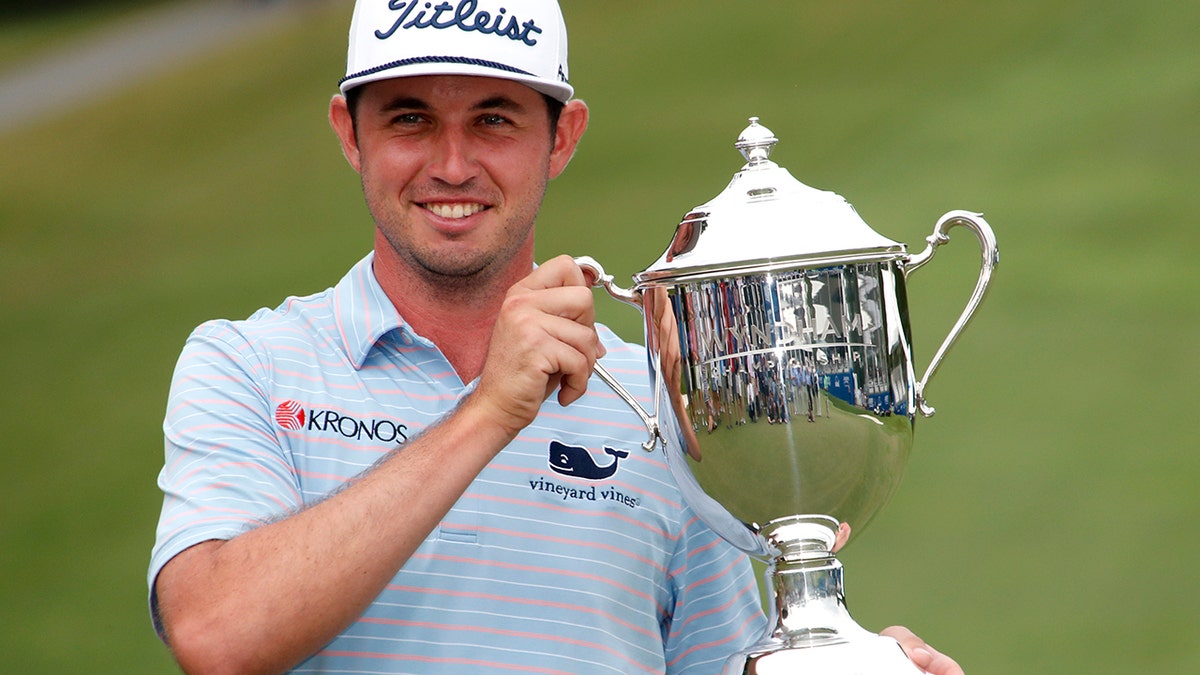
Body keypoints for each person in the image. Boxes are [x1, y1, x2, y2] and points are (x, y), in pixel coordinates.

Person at [148, 1, 964, 673]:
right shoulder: (245, 365)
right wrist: (488, 413)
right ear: (349, 132)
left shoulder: (660, 400)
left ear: (563, 136)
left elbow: (718, 659)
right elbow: (217, 634)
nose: (454, 164)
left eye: (494, 120)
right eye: (410, 119)